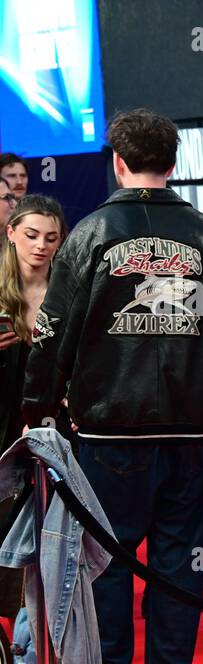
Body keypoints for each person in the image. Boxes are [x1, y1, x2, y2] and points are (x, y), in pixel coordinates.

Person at [22, 108, 203, 664]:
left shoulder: (91, 235)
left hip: (108, 431)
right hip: (193, 429)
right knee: (180, 561)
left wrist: (37, 409)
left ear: (118, 162)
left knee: (105, 559)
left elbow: (53, 334)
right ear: (175, 164)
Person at [0, 195, 67, 634]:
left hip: (51, 430)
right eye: (31, 235)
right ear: (11, 233)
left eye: (51, 238)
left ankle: (33, 651)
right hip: (2, 429)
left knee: (48, 548)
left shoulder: (68, 292)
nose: (40, 246)